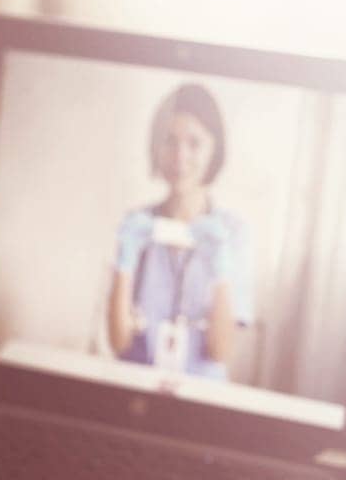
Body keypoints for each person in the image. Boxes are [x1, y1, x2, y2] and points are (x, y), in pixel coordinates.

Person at [106, 82, 253, 380]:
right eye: (169, 141)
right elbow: (118, 343)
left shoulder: (234, 233)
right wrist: (124, 265)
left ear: (214, 149)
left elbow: (220, 352)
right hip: (138, 388)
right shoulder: (137, 226)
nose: (179, 156)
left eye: (194, 143)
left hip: (200, 401)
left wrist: (221, 274)